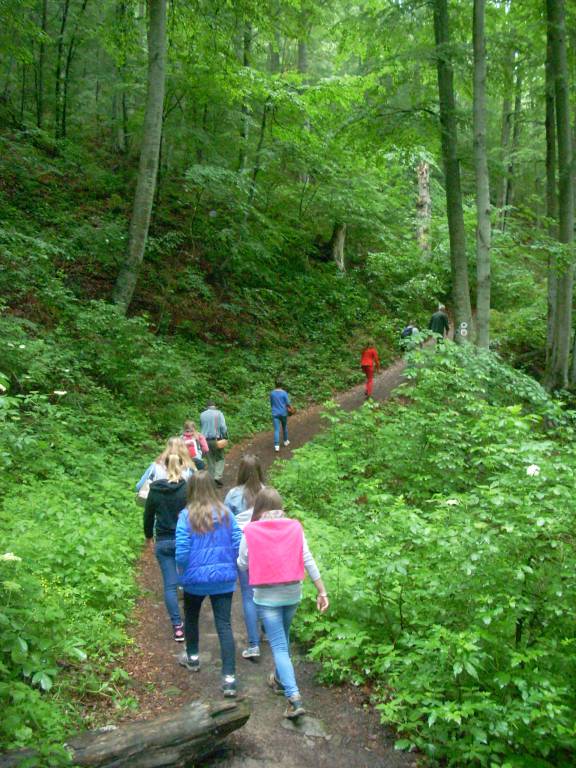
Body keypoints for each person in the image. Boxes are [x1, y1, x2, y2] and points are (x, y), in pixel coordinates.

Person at [238, 487, 329, 719]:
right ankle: (279, 679)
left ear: (258, 507)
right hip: (292, 594)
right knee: (283, 639)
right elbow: (307, 558)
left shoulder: (251, 530)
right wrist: (322, 591)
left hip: (266, 597)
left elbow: (242, 563)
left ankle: (294, 697)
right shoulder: (294, 527)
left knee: (279, 646)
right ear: (280, 506)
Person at [176, 471, 242, 697]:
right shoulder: (226, 513)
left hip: (195, 580)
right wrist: (231, 564)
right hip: (223, 579)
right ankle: (229, 680)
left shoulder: (186, 515)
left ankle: (193, 658)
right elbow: (238, 541)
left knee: (191, 617)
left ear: (191, 489)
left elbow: (182, 551)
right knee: (224, 625)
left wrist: (182, 571)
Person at [225, 455, 266, 661]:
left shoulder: (233, 494)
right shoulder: (266, 493)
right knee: (265, 589)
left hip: (241, 545)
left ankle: (253, 644)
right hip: (264, 545)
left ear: (240, 471)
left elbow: (226, 521)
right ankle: (267, 629)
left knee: (248, 595)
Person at [144, 453, 188, 642]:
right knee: (187, 581)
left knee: (170, 585)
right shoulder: (187, 488)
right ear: (182, 466)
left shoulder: (155, 490)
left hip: (163, 541)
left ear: (164, 467)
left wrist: (148, 537)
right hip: (184, 540)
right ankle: (190, 619)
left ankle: (177, 626)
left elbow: (148, 516)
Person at [200, 401, 228, 487]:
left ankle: (211, 479)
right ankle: (217, 477)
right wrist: (225, 436)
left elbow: (202, 426)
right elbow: (223, 427)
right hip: (216, 440)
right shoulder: (219, 413)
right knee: (220, 458)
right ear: (214, 406)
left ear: (207, 407)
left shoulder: (202, 415)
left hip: (205, 441)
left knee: (210, 460)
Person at [269, 382, 292, 453]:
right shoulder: (284, 393)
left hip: (275, 413)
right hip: (283, 413)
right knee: (284, 427)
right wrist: (290, 408)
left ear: (275, 384)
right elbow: (288, 403)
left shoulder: (272, 393)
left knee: (276, 430)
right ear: (281, 385)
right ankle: (285, 441)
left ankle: (276, 446)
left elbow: (271, 403)